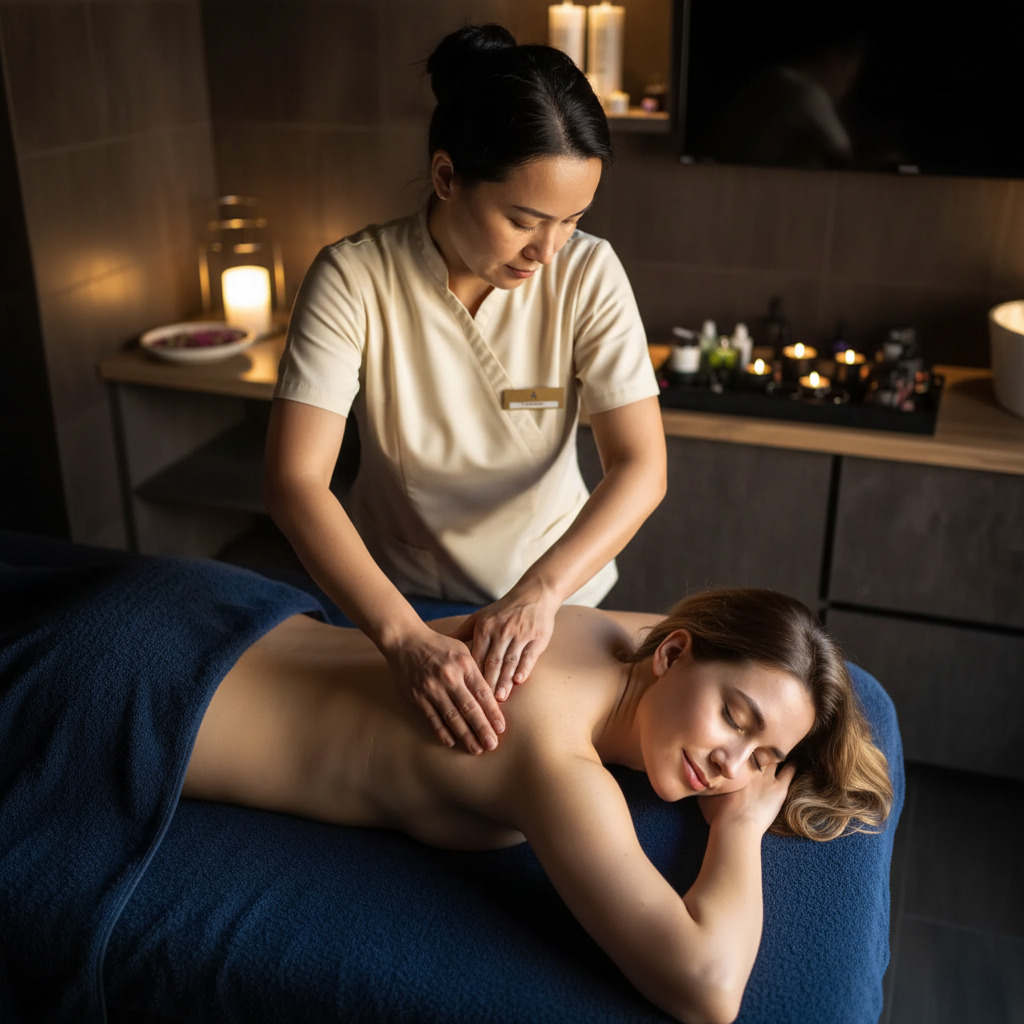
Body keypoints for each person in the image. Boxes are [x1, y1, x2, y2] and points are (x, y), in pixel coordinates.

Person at [184, 585, 893, 1024]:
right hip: (172, 706)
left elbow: (750, 646)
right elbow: (709, 991)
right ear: (673, 656)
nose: (730, 768)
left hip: (226, 615)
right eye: (734, 719)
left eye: (762, 759)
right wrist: (738, 827)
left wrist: (783, 727)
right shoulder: (552, 757)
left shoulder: (603, 632)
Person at [264, 24, 667, 757]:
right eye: (523, 221)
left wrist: (542, 592)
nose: (548, 252)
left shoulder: (588, 273)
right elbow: (295, 480)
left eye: (572, 221)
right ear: (447, 177)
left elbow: (641, 466)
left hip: (554, 595)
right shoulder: (354, 277)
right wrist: (403, 638)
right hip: (400, 596)